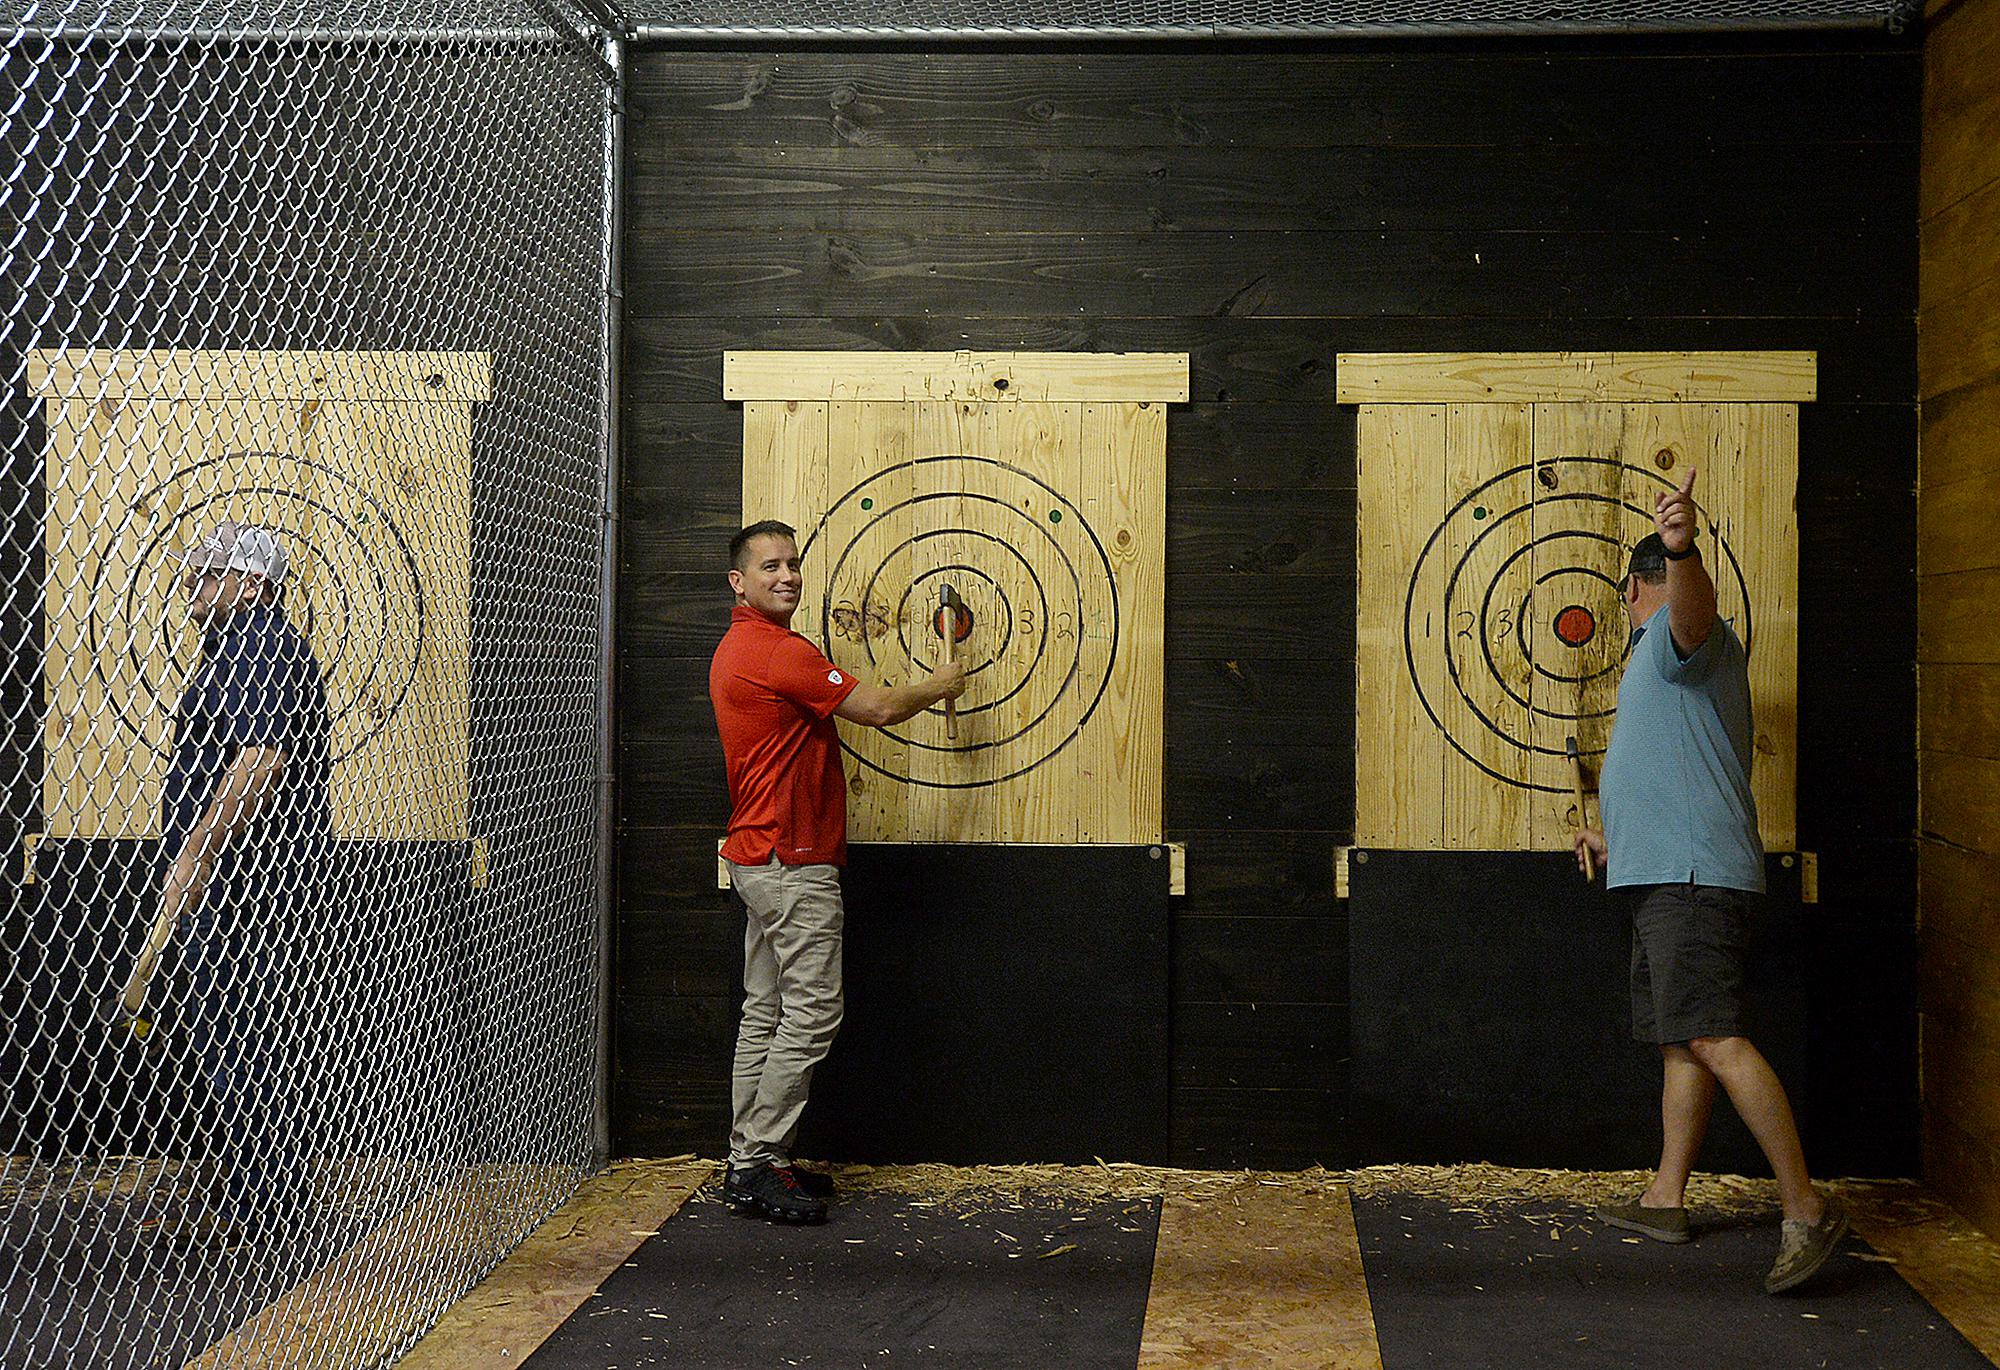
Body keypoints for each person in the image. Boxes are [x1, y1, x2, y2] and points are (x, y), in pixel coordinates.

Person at [1575, 470, 1846, 1294]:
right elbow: (1678, 779)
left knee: (1714, 1036)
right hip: (1665, 872)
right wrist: (1616, 838)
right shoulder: (1661, 667)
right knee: (1682, 1039)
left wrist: (1679, 548)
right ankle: (1666, 1197)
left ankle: (1805, 1208)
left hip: (1690, 881)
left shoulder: (1680, 638)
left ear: (1631, 590)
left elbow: (1690, 612)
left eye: (1630, 594)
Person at [709, 520, 965, 1224]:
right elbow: (877, 708)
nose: (786, 575)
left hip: (761, 858)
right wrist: (938, 682)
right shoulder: (776, 651)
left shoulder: (742, 646)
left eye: (792, 564)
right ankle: (757, 1162)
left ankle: (754, 1158)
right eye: (770, 567)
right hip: (790, 862)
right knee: (813, 1012)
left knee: (766, 1012)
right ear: (739, 582)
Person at [139, 521, 332, 1240]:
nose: (193, 583)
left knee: (245, 1041)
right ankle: (258, 1201)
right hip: (247, 881)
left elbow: (260, 760)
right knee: (241, 1040)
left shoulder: (258, 644)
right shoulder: (240, 647)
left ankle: (266, 1210)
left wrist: (195, 852)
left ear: (250, 585)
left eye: (209, 573)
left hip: (247, 884)